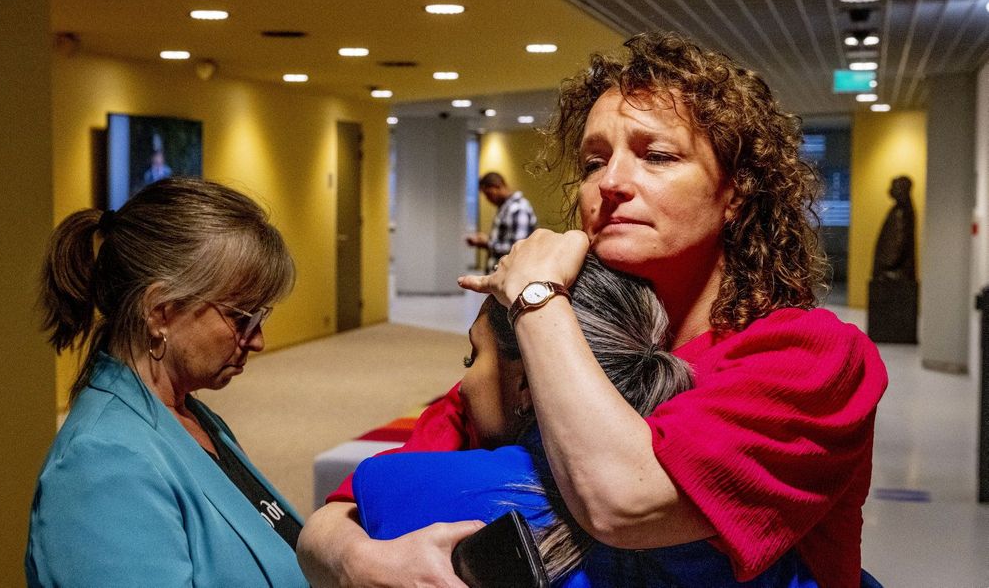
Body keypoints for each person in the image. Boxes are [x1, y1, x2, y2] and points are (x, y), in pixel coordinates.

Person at [300, 32, 887, 588]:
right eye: (592, 161)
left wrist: (536, 297)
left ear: (735, 191)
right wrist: (358, 560)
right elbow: (331, 519)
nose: (611, 183)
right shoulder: (556, 335)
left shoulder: (809, 355)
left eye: (656, 156)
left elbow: (623, 502)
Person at [352, 256, 821, 586]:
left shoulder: (392, 486)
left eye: (471, 357)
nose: (465, 383)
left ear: (524, 387)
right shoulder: (739, 527)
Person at [27, 177, 307, 587]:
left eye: (260, 317)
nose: (258, 340)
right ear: (160, 312)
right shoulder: (102, 464)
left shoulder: (186, 413)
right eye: (241, 317)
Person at [466, 171, 537, 273]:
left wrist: (488, 243)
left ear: (497, 187)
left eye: (488, 194)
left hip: (511, 275)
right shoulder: (506, 207)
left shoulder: (517, 208)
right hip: (501, 274)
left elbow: (517, 248)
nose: (487, 199)